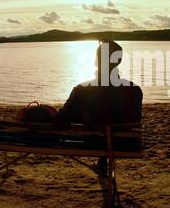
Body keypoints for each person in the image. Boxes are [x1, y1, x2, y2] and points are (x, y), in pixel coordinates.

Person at [53, 39, 143, 173]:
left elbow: (60, 123)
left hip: (91, 144)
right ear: (119, 61)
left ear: (97, 61)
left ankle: (102, 159)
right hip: (126, 144)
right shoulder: (135, 90)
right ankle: (103, 160)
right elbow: (136, 119)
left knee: (97, 121)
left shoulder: (82, 90)